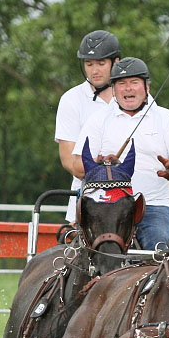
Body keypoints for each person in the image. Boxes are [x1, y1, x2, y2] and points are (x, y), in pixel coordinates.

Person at [73, 57, 169, 249]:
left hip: (152, 206)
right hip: (105, 207)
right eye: (121, 83)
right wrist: (100, 162)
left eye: (134, 82)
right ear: (113, 90)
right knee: (95, 256)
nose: (128, 88)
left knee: (159, 247)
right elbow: (77, 166)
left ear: (147, 88)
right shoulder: (98, 120)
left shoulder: (168, 119)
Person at [54, 30, 121, 221]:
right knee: (72, 250)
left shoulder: (135, 97)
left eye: (101, 63)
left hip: (132, 192)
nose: (94, 70)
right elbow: (69, 161)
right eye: (89, 64)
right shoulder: (71, 99)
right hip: (86, 194)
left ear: (115, 63)